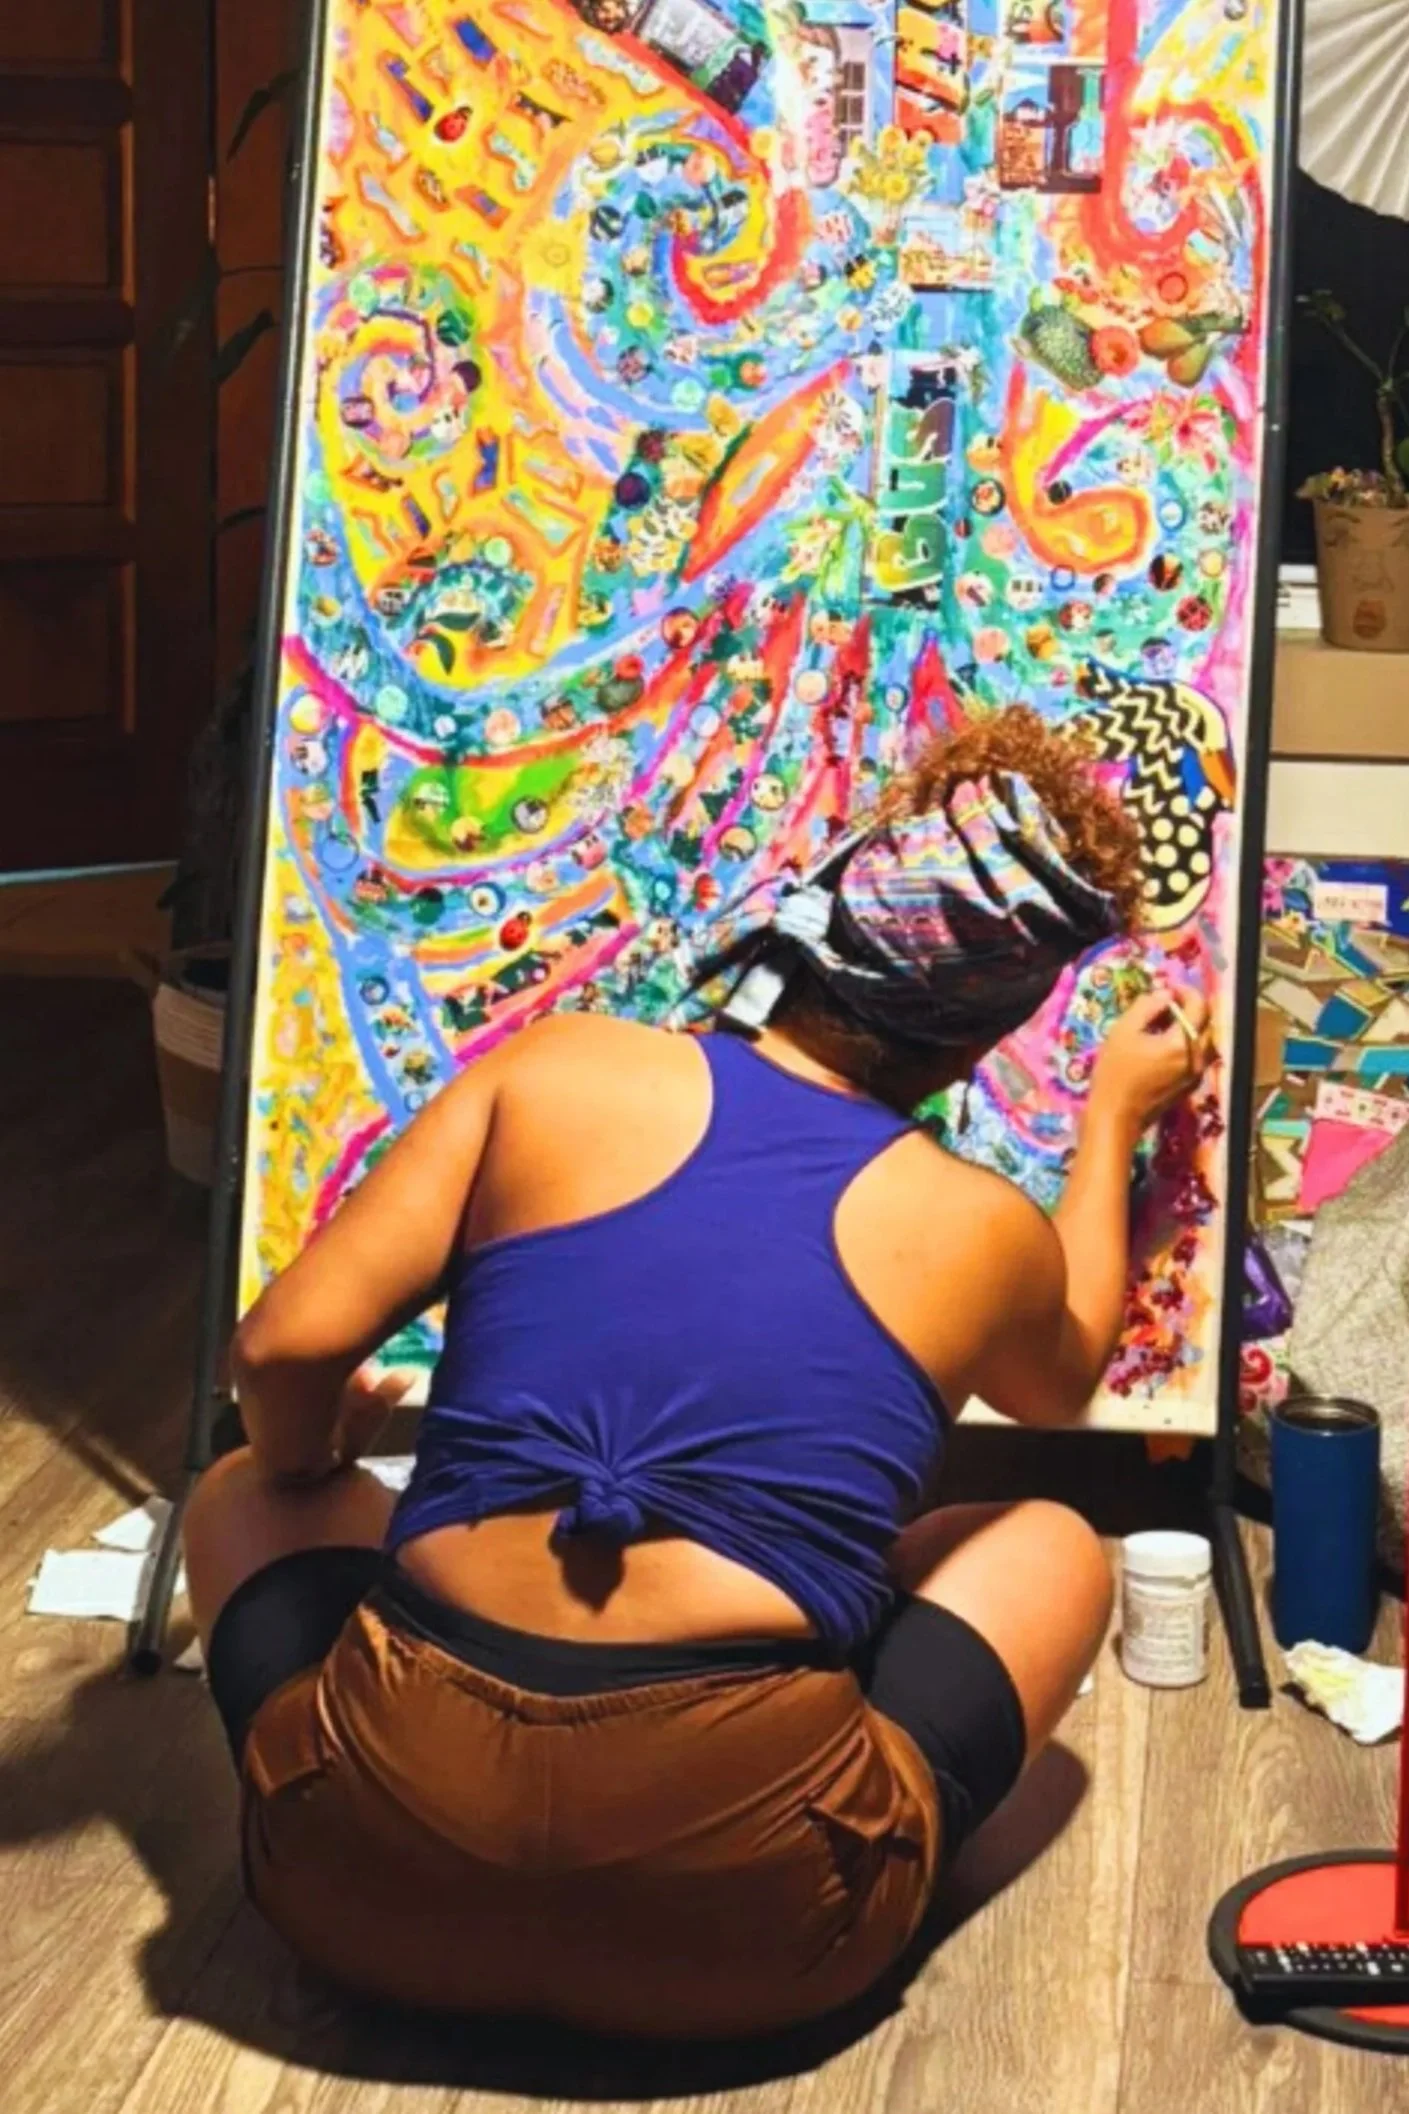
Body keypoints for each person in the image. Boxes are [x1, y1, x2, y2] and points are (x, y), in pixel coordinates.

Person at [183, 706, 1212, 2037]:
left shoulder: (557, 1069)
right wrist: (1114, 1119)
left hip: (363, 1896)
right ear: (979, 1037)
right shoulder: (976, 1226)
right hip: (754, 1942)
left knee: (240, 1492)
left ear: (813, 921)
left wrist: (311, 1456)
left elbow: (280, 1347)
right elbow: (1063, 1381)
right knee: (1054, 1545)